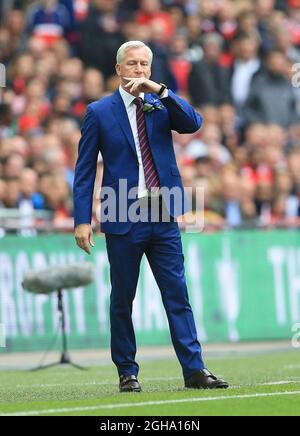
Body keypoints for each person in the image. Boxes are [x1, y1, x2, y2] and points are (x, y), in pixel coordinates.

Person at [73, 40, 229, 392]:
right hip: (122, 212)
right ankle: (127, 372)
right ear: (119, 69)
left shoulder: (160, 104)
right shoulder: (99, 111)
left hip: (163, 213)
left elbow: (193, 123)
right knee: (123, 298)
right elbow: (84, 171)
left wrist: (160, 90)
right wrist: (82, 219)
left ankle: (194, 370)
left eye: (144, 65)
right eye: (132, 64)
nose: (139, 70)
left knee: (177, 294)